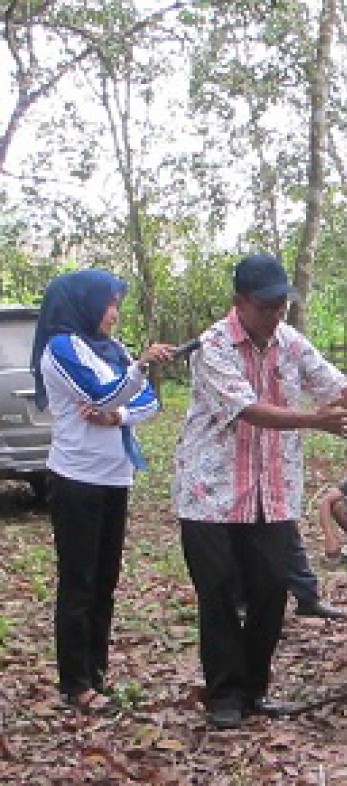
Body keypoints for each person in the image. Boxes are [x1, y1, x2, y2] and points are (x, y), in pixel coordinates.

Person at [173, 254, 347, 730]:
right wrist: (313, 420)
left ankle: (254, 690)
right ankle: (224, 696)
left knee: (271, 590)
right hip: (211, 493)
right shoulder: (213, 346)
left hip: (272, 492)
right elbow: (248, 409)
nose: (276, 314)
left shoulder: (290, 342)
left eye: (282, 304)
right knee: (219, 593)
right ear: (240, 302)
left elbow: (336, 384)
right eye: (266, 306)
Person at [30, 270, 174, 713]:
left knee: (106, 582)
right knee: (79, 582)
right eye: (108, 303)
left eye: (116, 304)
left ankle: (96, 672)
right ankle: (75, 683)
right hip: (77, 479)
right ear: (85, 303)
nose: (114, 313)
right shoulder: (61, 349)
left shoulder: (111, 350)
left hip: (115, 476)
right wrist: (136, 373)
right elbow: (103, 390)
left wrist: (119, 417)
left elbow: (147, 402)